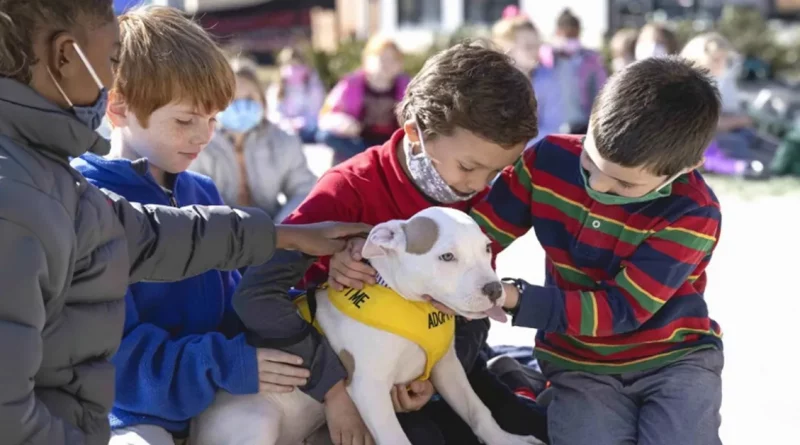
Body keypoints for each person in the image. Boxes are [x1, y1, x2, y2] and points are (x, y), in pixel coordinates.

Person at [0, 2, 369, 444]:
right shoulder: (84, 195)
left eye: (213, 118)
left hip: (216, 394)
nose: (204, 135)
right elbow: (112, 357)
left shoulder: (201, 191)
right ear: (118, 108)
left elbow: (235, 306)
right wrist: (225, 363)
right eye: (184, 120)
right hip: (131, 416)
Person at [230, 41, 547, 445]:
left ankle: (508, 374)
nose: (477, 186)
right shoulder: (346, 192)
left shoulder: (478, 201)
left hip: (441, 366)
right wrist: (329, 268)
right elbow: (260, 293)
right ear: (415, 132)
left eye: (496, 172)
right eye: (468, 166)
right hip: (352, 383)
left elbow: (475, 305)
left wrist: (439, 373)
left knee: (537, 429)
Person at [471, 57, 724, 445]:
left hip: (673, 361)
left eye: (623, 185)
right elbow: (480, 233)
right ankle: (527, 380)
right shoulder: (548, 160)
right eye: (590, 160)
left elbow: (621, 309)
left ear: (686, 167)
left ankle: (527, 380)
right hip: (578, 361)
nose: (598, 186)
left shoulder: (692, 212)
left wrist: (514, 297)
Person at [191, 56, 316, 222]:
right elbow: (192, 200)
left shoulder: (285, 142)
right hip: (217, 238)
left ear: (262, 102)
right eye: (232, 99)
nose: (241, 106)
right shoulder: (197, 146)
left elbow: (304, 190)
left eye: (249, 98)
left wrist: (282, 229)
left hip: (276, 235)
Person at [681, 32, 774, 178]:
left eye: (725, 59)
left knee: (755, 140)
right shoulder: (686, 84)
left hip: (721, 134)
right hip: (696, 139)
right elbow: (698, 123)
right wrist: (739, 121)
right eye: (716, 59)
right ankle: (738, 168)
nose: (722, 64)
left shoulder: (718, 81)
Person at [317, 35, 410, 165]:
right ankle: (372, 161)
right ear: (367, 60)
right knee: (325, 136)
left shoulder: (406, 86)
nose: (387, 64)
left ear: (400, 64)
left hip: (392, 143)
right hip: (359, 141)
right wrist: (344, 123)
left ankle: (380, 161)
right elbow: (326, 116)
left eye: (392, 59)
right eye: (382, 58)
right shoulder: (351, 84)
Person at [492, 14, 563, 142]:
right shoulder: (491, 82)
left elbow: (553, 127)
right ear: (506, 48)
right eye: (528, 46)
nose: (535, 51)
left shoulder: (548, 79)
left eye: (538, 45)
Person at [537, 8, 607, 135]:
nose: (570, 39)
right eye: (567, 35)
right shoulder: (545, 60)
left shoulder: (591, 60)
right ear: (557, 33)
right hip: (551, 129)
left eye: (574, 35)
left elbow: (601, 92)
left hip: (582, 125)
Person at [266, 46, 326, 144]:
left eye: (297, 66)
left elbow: (316, 112)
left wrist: (302, 123)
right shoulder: (276, 89)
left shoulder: (313, 87)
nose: (293, 69)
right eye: (290, 65)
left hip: (308, 130)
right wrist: (287, 124)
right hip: (283, 130)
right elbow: (274, 113)